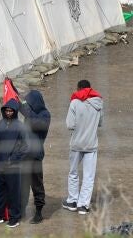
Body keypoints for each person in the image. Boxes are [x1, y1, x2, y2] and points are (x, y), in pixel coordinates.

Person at [63, 80, 103, 215]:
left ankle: (72, 201)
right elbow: (100, 123)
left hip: (76, 144)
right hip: (91, 144)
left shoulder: (74, 103)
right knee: (89, 176)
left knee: (73, 173)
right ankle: (83, 205)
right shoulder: (99, 103)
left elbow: (69, 124)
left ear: (79, 88)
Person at [0, 99, 28, 228]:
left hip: (13, 166)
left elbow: (25, 146)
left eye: (11, 111)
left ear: (15, 112)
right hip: (0, 164)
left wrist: (13, 159)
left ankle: (14, 218)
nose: (9, 112)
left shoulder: (20, 126)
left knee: (13, 192)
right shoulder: (1, 123)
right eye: (7, 110)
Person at [19, 90, 51, 223]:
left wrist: (26, 109)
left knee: (37, 184)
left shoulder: (45, 115)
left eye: (30, 102)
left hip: (36, 156)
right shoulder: (29, 113)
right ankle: (21, 210)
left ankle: (38, 212)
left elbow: (36, 124)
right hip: (24, 154)